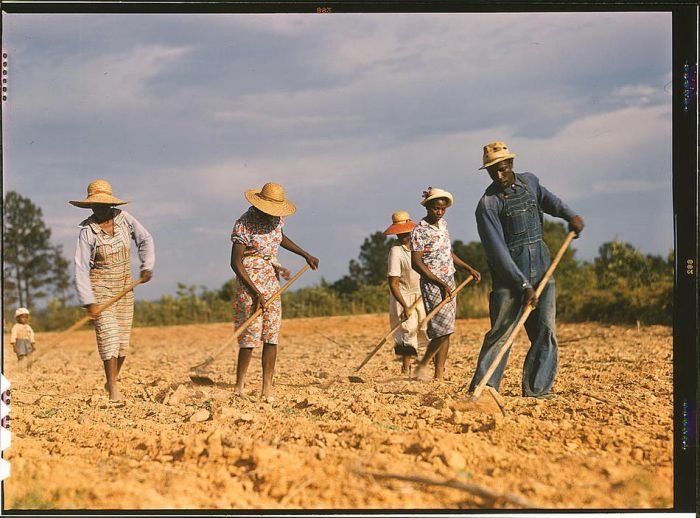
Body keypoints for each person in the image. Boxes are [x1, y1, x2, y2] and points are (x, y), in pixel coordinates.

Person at [468, 141, 585, 398]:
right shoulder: (488, 205)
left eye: (503, 168)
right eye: (493, 171)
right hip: (508, 280)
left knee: (545, 331)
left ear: (511, 163)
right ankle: (485, 390)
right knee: (501, 333)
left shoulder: (530, 183)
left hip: (543, 269)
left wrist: (570, 215)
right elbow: (497, 253)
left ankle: (538, 390)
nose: (499, 174)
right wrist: (523, 285)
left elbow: (549, 201)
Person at [230, 182, 319, 402]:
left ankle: (266, 388)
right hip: (248, 282)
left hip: (271, 280)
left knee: (271, 334)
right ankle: (239, 387)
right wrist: (256, 293)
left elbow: (280, 237)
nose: (272, 215)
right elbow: (235, 263)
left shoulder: (276, 220)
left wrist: (304, 254)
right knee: (250, 335)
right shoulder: (244, 224)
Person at [71, 179, 155, 402]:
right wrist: (90, 302)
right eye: (95, 205)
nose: (99, 209)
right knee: (108, 338)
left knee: (122, 344)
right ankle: (114, 390)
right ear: (90, 206)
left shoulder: (124, 219)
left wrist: (146, 266)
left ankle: (110, 381)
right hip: (100, 289)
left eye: (103, 204)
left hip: (125, 288)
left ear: (110, 204)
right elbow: (80, 268)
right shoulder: (87, 231)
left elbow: (145, 239)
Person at [410, 188, 481, 382]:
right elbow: (416, 263)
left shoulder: (443, 225)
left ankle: (438, 373)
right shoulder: (419, 231)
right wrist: (439, 282)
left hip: (449, 279)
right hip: (432, 283)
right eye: (435, 208)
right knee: (440, 329)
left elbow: (447, 253)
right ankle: (425, 364)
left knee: (447, 328)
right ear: (428, 207)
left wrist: (468, 268)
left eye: (442, 209)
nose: (439, 212)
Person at [383, 211, 429, 375]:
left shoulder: (419, 246)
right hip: (403, 296)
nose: (404, 235)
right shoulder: (396, 252)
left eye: (406, 231)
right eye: (400, 232)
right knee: (407, 331)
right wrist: (404, 306)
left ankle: (427, 367)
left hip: (421, 295)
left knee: (426, 329)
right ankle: (406, 368)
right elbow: (393, 283)